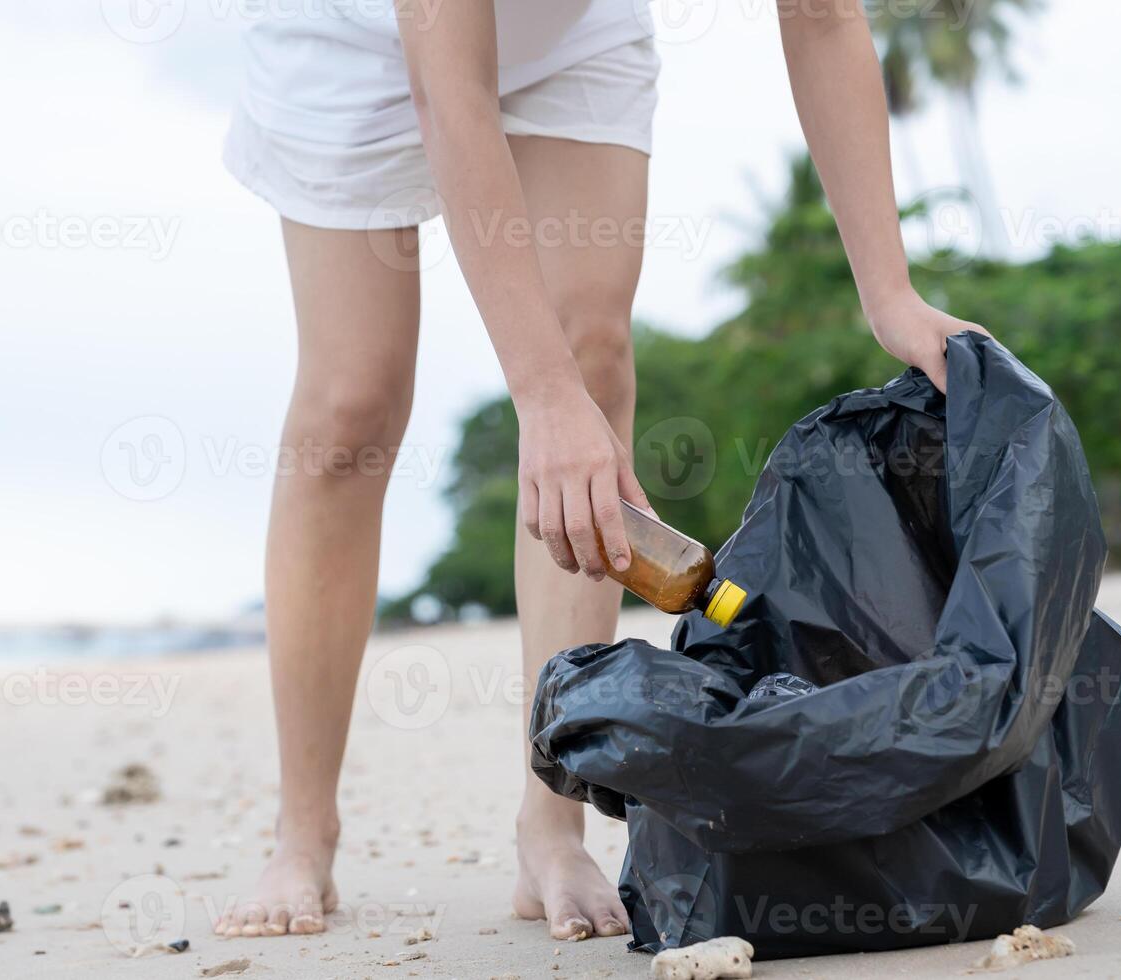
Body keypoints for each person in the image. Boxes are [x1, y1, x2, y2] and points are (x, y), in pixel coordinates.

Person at [214, 0, 989, 942]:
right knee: (351, 408)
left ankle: (551, 823)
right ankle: (305, 831)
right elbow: (448, 86)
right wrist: (540, 399)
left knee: (594, 356)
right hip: (358, 32)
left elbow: (822, 15)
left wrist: (890, 296)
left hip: (571, 29)